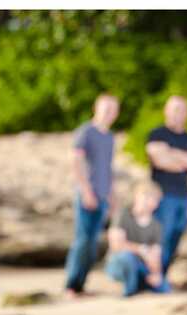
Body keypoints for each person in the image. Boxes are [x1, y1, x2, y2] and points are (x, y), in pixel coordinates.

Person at [64, 94, 120, 297]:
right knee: (82, 240)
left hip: (104, 197)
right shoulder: (86, 132)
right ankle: (71, 285)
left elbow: (108, 168)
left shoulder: (109, 136)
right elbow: (75, 162)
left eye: (113, 109)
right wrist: (86, 191)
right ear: (96, 108)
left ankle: (81, 285)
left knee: (93, 242)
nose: (109, 113)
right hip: (87, 196)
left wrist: (112, 197)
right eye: (106, 108)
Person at [146, 95, 187, 276]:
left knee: (176, 236)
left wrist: (172, 153)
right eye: (173, 109)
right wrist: (186, 159)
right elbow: (160, 160)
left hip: (184, 196)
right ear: (166, 111)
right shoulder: (157, 134)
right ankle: (155, 276)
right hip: (162, 195)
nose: (176, 113)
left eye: (180, 109)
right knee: (162, 236)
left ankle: (161, 274)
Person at [105, 181, 170, 297]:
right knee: (127, 257)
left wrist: (156, 273)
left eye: (156, 200)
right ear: (139, 197)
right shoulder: (123, 215)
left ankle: (142, 284)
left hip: (142, 266)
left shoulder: (156, 225)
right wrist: (141, 250)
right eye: (150, 198)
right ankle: (129, 291)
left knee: (164, 287)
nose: (154, 203)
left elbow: (156, 254)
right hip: (119, 264)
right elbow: (116, 246)